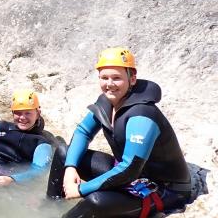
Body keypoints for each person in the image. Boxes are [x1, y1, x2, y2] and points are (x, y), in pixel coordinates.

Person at [46, 47, 192, 217]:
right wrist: (70, 168)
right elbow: (83, 132)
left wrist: (80, 189)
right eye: (104, 77)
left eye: (117, 78)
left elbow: (129, 168)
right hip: (129, 176)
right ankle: (49, 207)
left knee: (95, 201)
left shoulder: (143, 114)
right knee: (64, 152)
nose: (109, 84)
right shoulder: (107, 102)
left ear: (132, 79)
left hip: (163, 190)